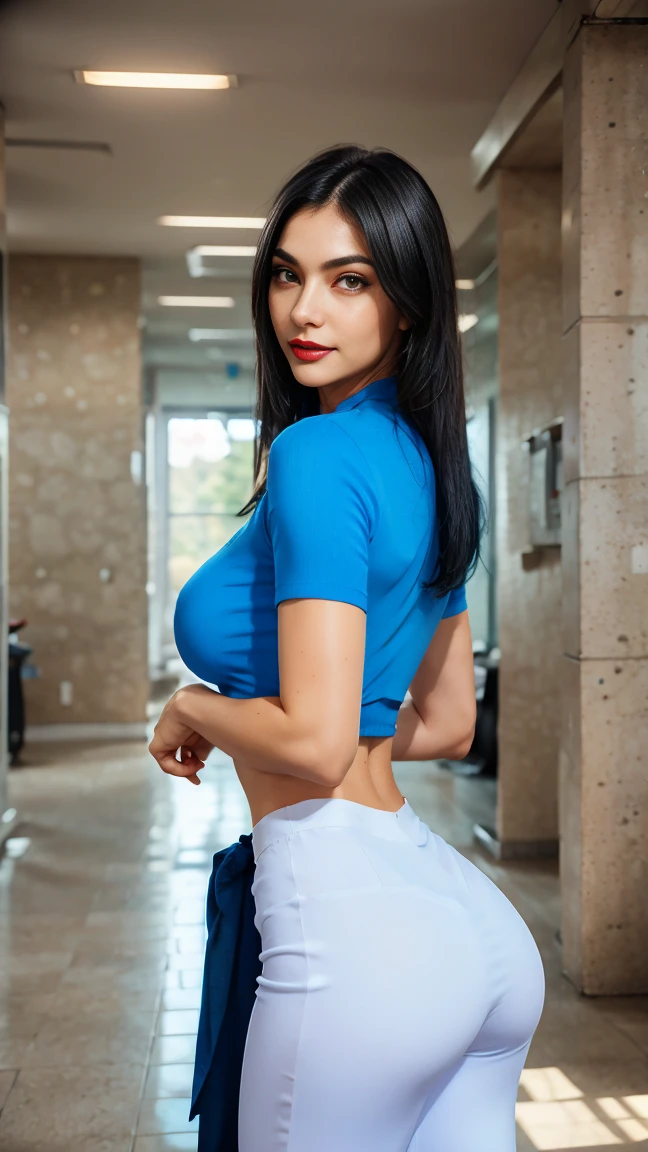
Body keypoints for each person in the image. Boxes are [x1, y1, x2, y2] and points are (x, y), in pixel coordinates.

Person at [149, 144, 546, 1152]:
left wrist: (195, 705)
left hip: (350, 926)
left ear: (406, 303)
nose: (303, 311)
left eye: (349, 279)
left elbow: (318, 745)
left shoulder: (316, 454)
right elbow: (448, 725)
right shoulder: (440, 471)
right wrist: (338, 729)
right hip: (462, 922)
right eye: (288, 274)